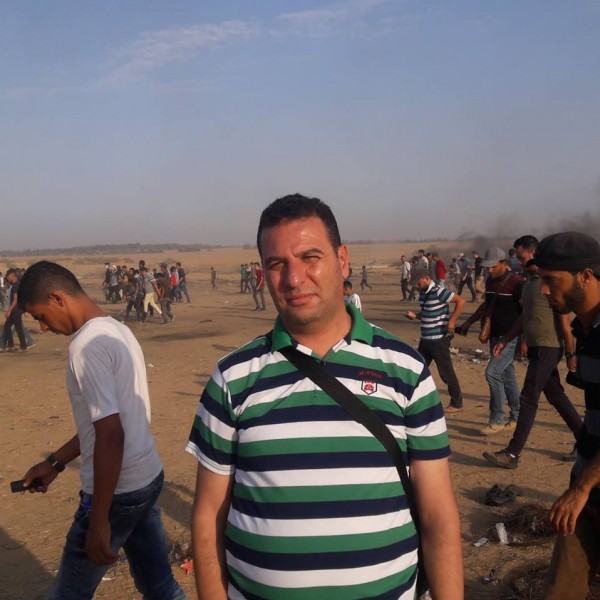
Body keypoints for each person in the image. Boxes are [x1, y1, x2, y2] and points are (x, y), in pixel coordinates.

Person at [186, 194, 463, 600]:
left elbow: (438, 511)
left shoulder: (405, 369)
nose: (293, 278)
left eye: (309, 257)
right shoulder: (233, 377)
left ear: (342, 260)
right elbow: (209, 514)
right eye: (276, 264)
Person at [16, 261, 186, 600]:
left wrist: (98, 520)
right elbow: (104, 425)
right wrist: (54, 463)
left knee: (68, 594)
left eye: (40, 317)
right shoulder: (116, 329)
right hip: (146, 479)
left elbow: (110, 434)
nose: (44, 328)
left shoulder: (86, 346)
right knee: (159, 585)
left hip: (117, 493)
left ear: (57, 298)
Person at [528, 232, 600, 600]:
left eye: (551, 280)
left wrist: (582, 487)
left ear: (585, 276)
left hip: (587, 486)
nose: (544, 290)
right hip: (587, 487)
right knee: (560, 590)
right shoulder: (583, 329)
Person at [483, 235, 582, 469]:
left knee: (528, 398)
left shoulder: (552, 282)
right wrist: (506, 339)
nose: (518, 261)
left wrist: (571, 353)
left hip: (549, 346)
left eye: (521, 257)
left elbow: (565, 322)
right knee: (556, 397)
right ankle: (586, 442)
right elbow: (524, 317)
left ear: (534, 253)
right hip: (538, 346)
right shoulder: (529, 283)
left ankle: (512, 454)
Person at [456, 247, 525, 434]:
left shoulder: (517, 283)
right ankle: (517, 416)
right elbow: (486, 306)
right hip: (494, 336)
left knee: (492, 373)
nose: (490, 270)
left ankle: (497, 419)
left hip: (510, 338)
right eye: (488, 267)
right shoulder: (490, 281)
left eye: (493, 267)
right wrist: (469, 322)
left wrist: (524, 340)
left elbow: (526, 313)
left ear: (504, 264)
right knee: (507, 375)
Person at [406, 268, 465, 413]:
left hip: (438, 340)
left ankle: (456, 403)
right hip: (425, 340)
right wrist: (416, 316)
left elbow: (461, 301)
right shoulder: (423, 294)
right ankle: (414, 401)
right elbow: (427, 312)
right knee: (417, 370)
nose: (417, 286)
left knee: (446, 373)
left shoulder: (439, 291)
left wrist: (452, 321)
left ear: (426, 278)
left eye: (419, 283)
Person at [2, 268, 28, 352]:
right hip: (15, 310)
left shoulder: (16, 285)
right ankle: (11, 345)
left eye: (8, 276)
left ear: (13, 276)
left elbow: (16, 300)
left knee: (18, 328)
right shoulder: (15, 285)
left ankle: (23, 347)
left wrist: (9, 310)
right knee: (7, 327)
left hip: (16, 310)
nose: (7, 278)